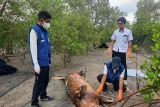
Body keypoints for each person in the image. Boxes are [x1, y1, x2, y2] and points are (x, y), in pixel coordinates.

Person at [29, 10, 53, 107]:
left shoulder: (45, 31)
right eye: (48, 21)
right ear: (42, 20)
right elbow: (33, 49)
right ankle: (34, 103)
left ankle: (43, 96)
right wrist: (35, 64)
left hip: (46, 62)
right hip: (39, 64)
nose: (49, 23)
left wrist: (49, 60)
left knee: (46, 80)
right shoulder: (34, 31)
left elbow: (47, 47)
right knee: (38, 83)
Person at [107, 16, 133, 85]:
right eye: (118, 23)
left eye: (121, 23)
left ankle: (124, 79)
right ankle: (113, 78)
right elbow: (113, 41)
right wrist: (110, 48)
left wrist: (129, 50)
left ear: (124, 23)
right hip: (115, 50)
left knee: (123, 65)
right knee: (113, 64)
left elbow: (130, 41)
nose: (119, 25)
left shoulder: (128, 32)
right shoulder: (115, 31)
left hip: (123, 51)